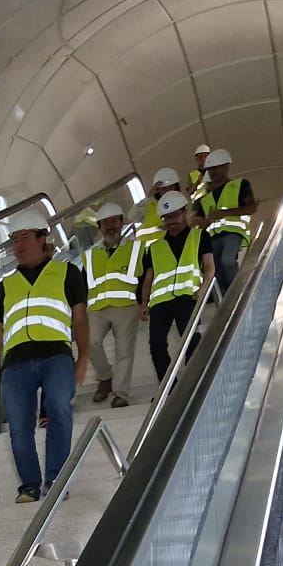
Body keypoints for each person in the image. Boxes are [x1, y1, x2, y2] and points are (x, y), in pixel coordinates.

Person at [0, 207, 90, 503]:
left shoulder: (67, 272)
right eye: (14, 239)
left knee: (59, 408)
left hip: (56, 357)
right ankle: (29, 484)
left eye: (25, 237)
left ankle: (56, 479)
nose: (18, 245)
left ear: (43, 238)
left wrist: (83, 358)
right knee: (18, 428)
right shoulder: (6, 285)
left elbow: (79, 318)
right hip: (15, 364)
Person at [136, 190, 216, 383]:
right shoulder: (154, 247)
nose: (171, 222)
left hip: (188, 296)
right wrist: (144, 304)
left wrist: (204, 287)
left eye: (174, 216)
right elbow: (148, 279)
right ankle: (168, 387)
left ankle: (194, 381)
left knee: (191, 341)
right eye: (166, 218)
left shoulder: (199, 236)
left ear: (184, 212)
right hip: (160, 302)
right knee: (156, 345)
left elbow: (209, 267)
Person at [84, 202, 143, 408]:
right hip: (97, 309)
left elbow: (146, 276)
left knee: (124, 351)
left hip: (126, 306)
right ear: (99, 227)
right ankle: (105, 377)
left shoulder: (136, 248)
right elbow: (84, 283)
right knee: (89, 341)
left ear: (121, 222)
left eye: (114, 221)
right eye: (105, 223)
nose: (110, 226)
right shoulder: (90, 254)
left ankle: (121, 394)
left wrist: (144, 303)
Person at [194, 149, 256, 293]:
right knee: (215, 271)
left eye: (216, 168)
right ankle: (224, 301)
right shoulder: (205, 196)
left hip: (233, 233)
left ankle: (239, 292)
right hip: (212, 238)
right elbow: (198, 218)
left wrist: (224, 213)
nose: (213, 172)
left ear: (226, 167)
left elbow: (251, 207)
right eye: (210, 169)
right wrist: (201, 221)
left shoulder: (240, 185)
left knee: (227, 261)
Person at [135, 168, 184, 251]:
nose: (168, 191)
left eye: (171, 187)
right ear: (157, 190)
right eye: (164, 188)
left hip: (176, 248)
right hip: (151, 254)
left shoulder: (181, 204)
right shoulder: (149, 206)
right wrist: (148, 197)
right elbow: (133, 216)